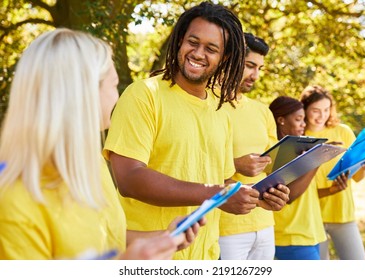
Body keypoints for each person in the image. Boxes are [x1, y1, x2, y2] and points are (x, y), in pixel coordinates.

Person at [103, 2, 288, 260]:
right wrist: (218, 195)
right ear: (179, 41)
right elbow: (129, 179)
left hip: (206, 255)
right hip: (149, 255)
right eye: (193, 42)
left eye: (211, 49)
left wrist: (256, 196)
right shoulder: (144, 95)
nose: (198, 53)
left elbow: (221, 181)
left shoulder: (220, 109)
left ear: (224, 58)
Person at [0, 28, 202, 260]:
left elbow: (106, 237)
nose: (117, 96)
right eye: (114, 84)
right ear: (84, 93)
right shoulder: (13, 203)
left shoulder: (89, 160)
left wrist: (163, 237)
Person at [218, 33, 290, 260]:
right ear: (231, 59)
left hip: (264, 224)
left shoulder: (262, 111)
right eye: (250, 66)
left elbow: (273, 165)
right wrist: (236, 164)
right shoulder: (209, 105)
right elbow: (194, 165)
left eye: (259, 68)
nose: (255, 75)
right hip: (224, 229)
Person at [300, 85, 365, 260]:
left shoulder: (343, 131)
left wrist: (364, 166)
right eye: (316, 110)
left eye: (326, 110)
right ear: (304, 109)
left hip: (342, 212)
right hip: (312, 217)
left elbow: (356, 177)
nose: (322, 116)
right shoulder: (300, 136)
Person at [269, 96, 328, 260]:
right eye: (298, 119)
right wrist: (315, 161)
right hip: (290, 235)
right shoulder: (276, 151)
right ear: (281, 120)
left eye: (304, 119)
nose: (304, 124)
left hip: (311, 231)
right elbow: (289, 195)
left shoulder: (301, 148)